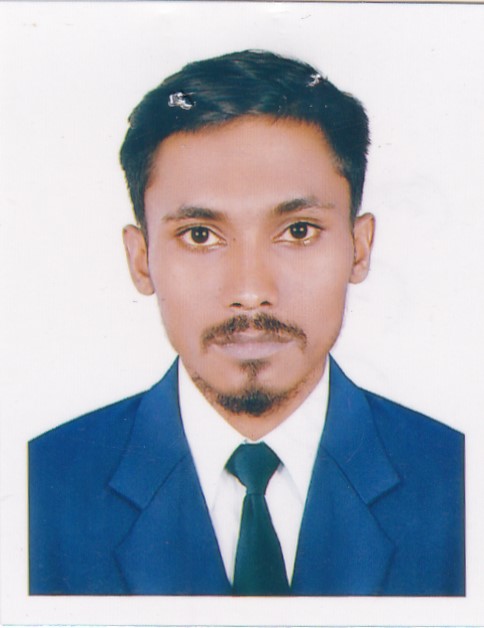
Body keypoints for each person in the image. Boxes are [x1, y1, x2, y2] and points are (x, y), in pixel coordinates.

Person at [29, 50, 465, 596]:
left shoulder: (458, 481)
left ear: (359, 247)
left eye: (299, 231)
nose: (251, 290)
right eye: (200, 235)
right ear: (141, 260)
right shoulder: (35, 491)